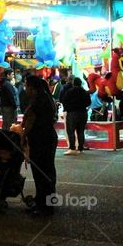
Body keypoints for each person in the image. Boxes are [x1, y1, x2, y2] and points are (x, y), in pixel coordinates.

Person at [22, 75, 57, 216]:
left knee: (41, 173)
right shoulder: (46, 97)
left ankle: (45, 207)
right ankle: (44, 202)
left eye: (26, 86)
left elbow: (31, 121)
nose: (25, 89)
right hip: (47, 138)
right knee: (46, 171)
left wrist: (23, 134)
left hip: (41, 139)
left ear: (32, 87)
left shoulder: (38, 100)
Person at [61, 77, 91, 154]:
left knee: (71, 131)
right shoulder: (84, 92)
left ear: (74, 83)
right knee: (81, 131)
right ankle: (81, 148)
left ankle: (72, 148)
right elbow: (88, 102)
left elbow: (64, 101)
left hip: (72, 113)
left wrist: (68, 108)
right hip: (83, 113)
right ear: (81, 83)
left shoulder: (70, 92)